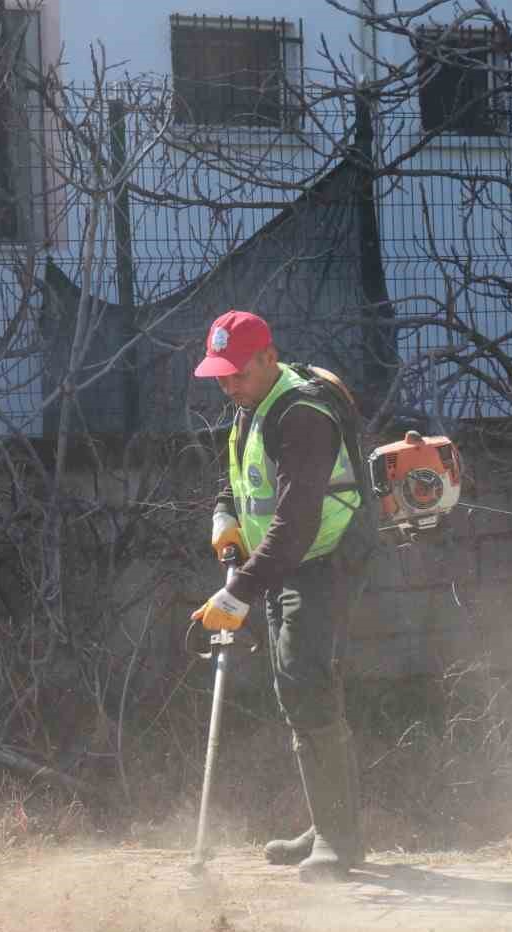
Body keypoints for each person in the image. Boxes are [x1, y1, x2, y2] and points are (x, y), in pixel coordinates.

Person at [190, 309, 366, 883]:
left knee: (305, 683)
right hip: (283, 565)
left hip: (319, 561)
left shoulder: (302, 417)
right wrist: (224, 516)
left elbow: (295, 525)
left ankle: (339, 842)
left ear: (269, 357)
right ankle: (326, 825)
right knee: (299, 687)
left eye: (236, 372)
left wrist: (237, 593)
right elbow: (240, 479)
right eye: (220, 375)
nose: (227, 384)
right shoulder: (254, 406)